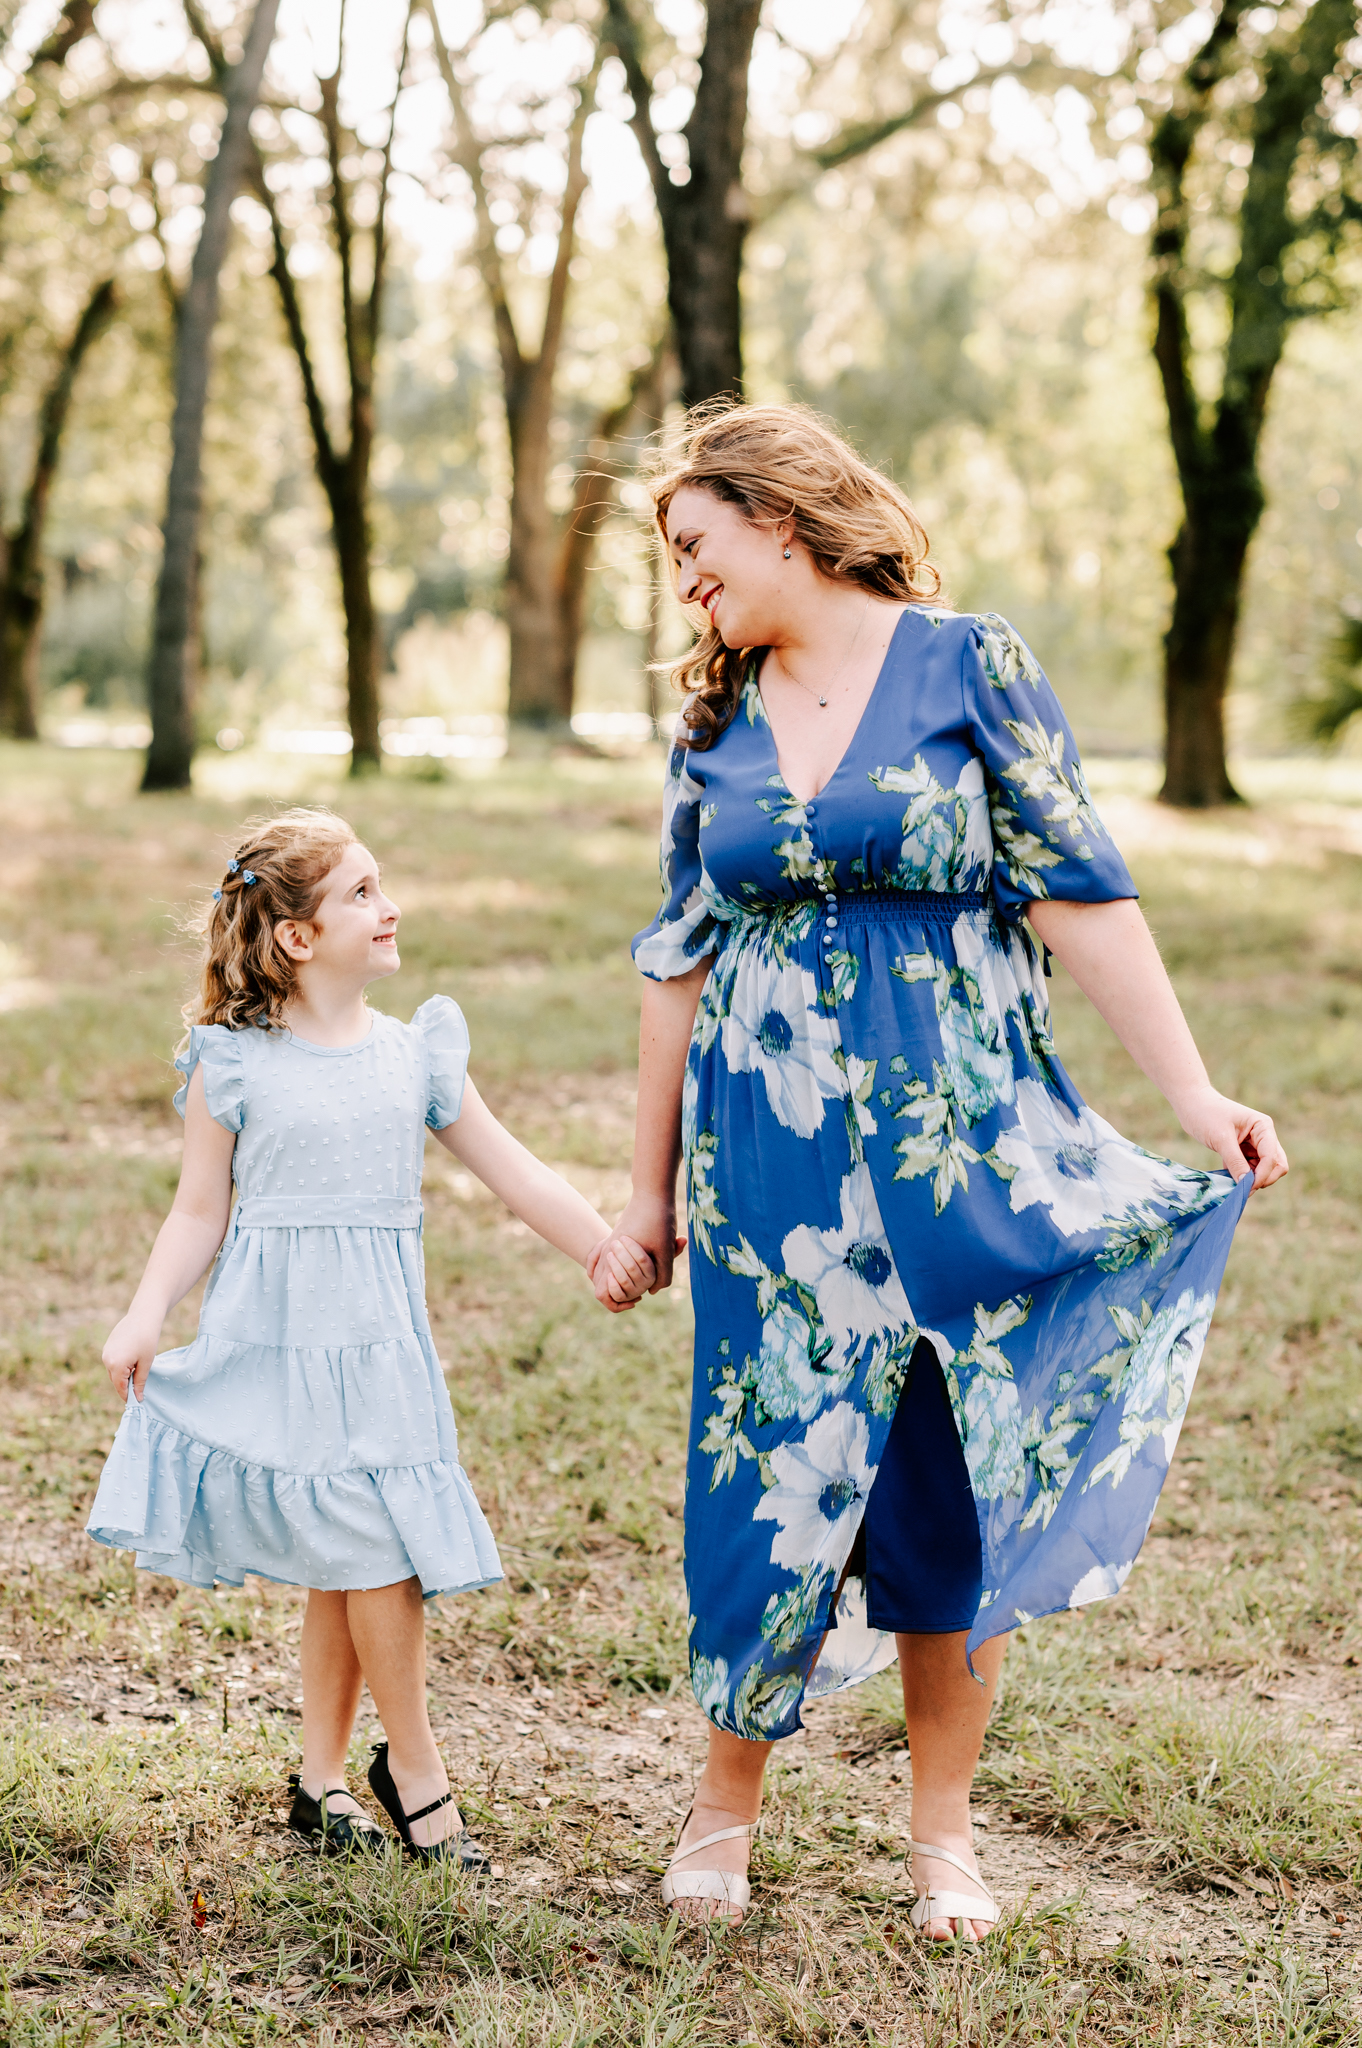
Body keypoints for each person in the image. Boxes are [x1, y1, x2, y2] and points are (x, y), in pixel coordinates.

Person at [588, 404, 1288, 1936]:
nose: (684, 588)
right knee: (763, 1458)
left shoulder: (971, 665)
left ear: (779, 518)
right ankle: (723, 1806)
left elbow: (1077, 891)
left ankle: (941, 1836)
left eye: (695, 551)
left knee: (945, 1482)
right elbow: (672, 963)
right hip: (768, 1165)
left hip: (957, 1139)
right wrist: (645, 1195)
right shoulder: (711, 727)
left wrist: (1188, 1091)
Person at [89, 807, 654, 1860]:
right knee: (363, 1546)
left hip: (380, 1338)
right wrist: (143, 1310)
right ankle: (416, 1766)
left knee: (352, 1548)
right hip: (280, 1336)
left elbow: (513, 1164)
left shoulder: (415, 1052)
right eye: (362, 892)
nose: (389, 906)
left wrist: (599, 1244)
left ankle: (319, 1780)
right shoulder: (236, 1061)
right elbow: (196, 1209)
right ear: (298, 936)